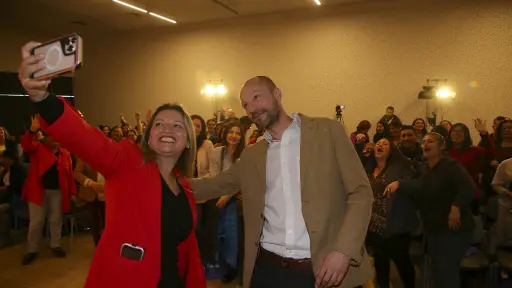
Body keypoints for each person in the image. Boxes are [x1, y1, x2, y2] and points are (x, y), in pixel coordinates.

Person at [18, 41, 205, 288]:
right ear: (148, 136)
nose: (167, 129)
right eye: (159, 124)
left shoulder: (185, 190)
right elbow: (83, 136)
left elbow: (189, 252)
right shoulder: (127, 161)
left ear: (188, 142)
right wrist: (42, 98)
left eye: (177, 125)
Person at [191, 76, 374, 288]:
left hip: (326, 270)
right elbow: (213, 185)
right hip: (270, 270)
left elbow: (360, 193)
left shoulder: (327, 132)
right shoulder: (253, 155)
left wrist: (344, 250)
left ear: (278, 94)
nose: (252, 109)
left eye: (257, 97)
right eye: (245, 105)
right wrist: (162, 180)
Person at [385, 132, 475, 288]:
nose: (426, 144)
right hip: (435, 228)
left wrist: (456, 206)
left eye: (431, 141)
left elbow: (468, 188)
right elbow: (420, 187)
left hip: (454, 228)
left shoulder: (450, 166)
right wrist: (399, 184)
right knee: (438, 271)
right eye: (424, 142)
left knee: (446, 272)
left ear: (442, 146)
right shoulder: (425, 168)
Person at [20, 114, 77, 265]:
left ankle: (55, 245)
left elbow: (69, 175)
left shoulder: (65, 153)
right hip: (38, 191)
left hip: (57, 191)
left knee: (55, 219)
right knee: (36, 222)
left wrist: (72, 193)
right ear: (46, 137)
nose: (55, 139)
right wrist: (32, 131)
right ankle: (32, 250)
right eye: (52, 137)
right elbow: (26, 145)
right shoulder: (38, 148)